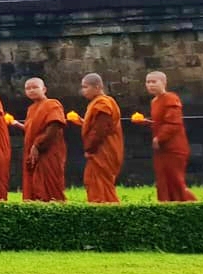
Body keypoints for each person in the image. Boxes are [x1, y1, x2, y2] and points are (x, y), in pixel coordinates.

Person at [138, 72, 195, 202]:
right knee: (163, 181)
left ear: (163, 83)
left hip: (174, 147)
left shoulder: (171, 98)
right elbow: (161, 122)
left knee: (175, 180)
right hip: (161, 149)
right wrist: (147, 122)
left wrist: (160, 138)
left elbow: (174, 123)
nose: (150, 85)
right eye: (148, 82)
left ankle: (192, 205)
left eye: (154, 82)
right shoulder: (154, 101)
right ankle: (166, 206)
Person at [14, 78, 67, 202]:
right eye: (28, 88)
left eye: (35, 87)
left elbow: (54, 125)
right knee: (32, 185)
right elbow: (32, 131)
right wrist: (17, 125)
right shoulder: (31, 109)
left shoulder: (52, 104)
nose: (31, 90)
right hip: (33, 152)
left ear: (44, 89)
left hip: (48, 151)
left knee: (50, 185)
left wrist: (38, 145)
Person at [78, 73, 123, 203]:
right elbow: (97, 126)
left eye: (86, 87)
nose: (83, 91)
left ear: (97, 87)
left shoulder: (103, 104)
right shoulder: (97, 103)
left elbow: (100, 130)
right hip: (100, 149)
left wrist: (89, 149)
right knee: (93, 181)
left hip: (103, 149)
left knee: (100, 183)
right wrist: (83, 122)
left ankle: (109, 211)